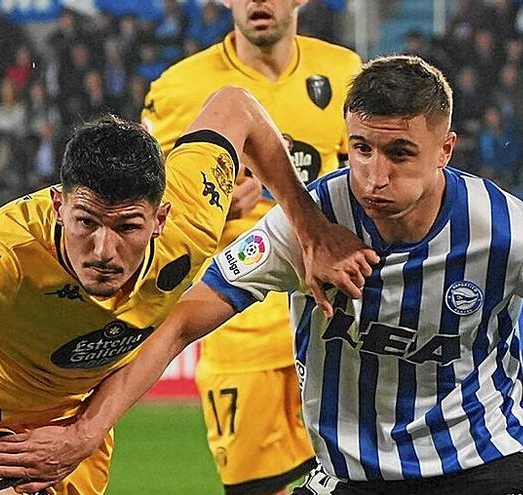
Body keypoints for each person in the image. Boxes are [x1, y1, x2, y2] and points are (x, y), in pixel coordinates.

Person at [0, 56, 523, 495]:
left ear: (445, 151)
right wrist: (90, 428)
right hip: (349, 478)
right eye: (358, 150)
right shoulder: (301, 223)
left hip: (482, 469)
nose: (374, 176)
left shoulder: (503, 230)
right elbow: (182, 319)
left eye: (399, 154)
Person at [0, 86, 375, 495]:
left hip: (77, 429)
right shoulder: (5, 258)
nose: (104, 251)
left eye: (127, 227)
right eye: (86, 223)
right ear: (58, 206)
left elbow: (236, 105)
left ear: (161, 218)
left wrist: (311, 230)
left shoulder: (191, 215)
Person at [141, 0, 363, 493]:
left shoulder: (345, 72)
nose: (259, 2)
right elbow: (140, 209)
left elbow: (369, 183)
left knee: (362, 479)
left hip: (332, 315)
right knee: (253, 489)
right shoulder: (179, 89)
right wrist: (210, 200)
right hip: (234, 319)